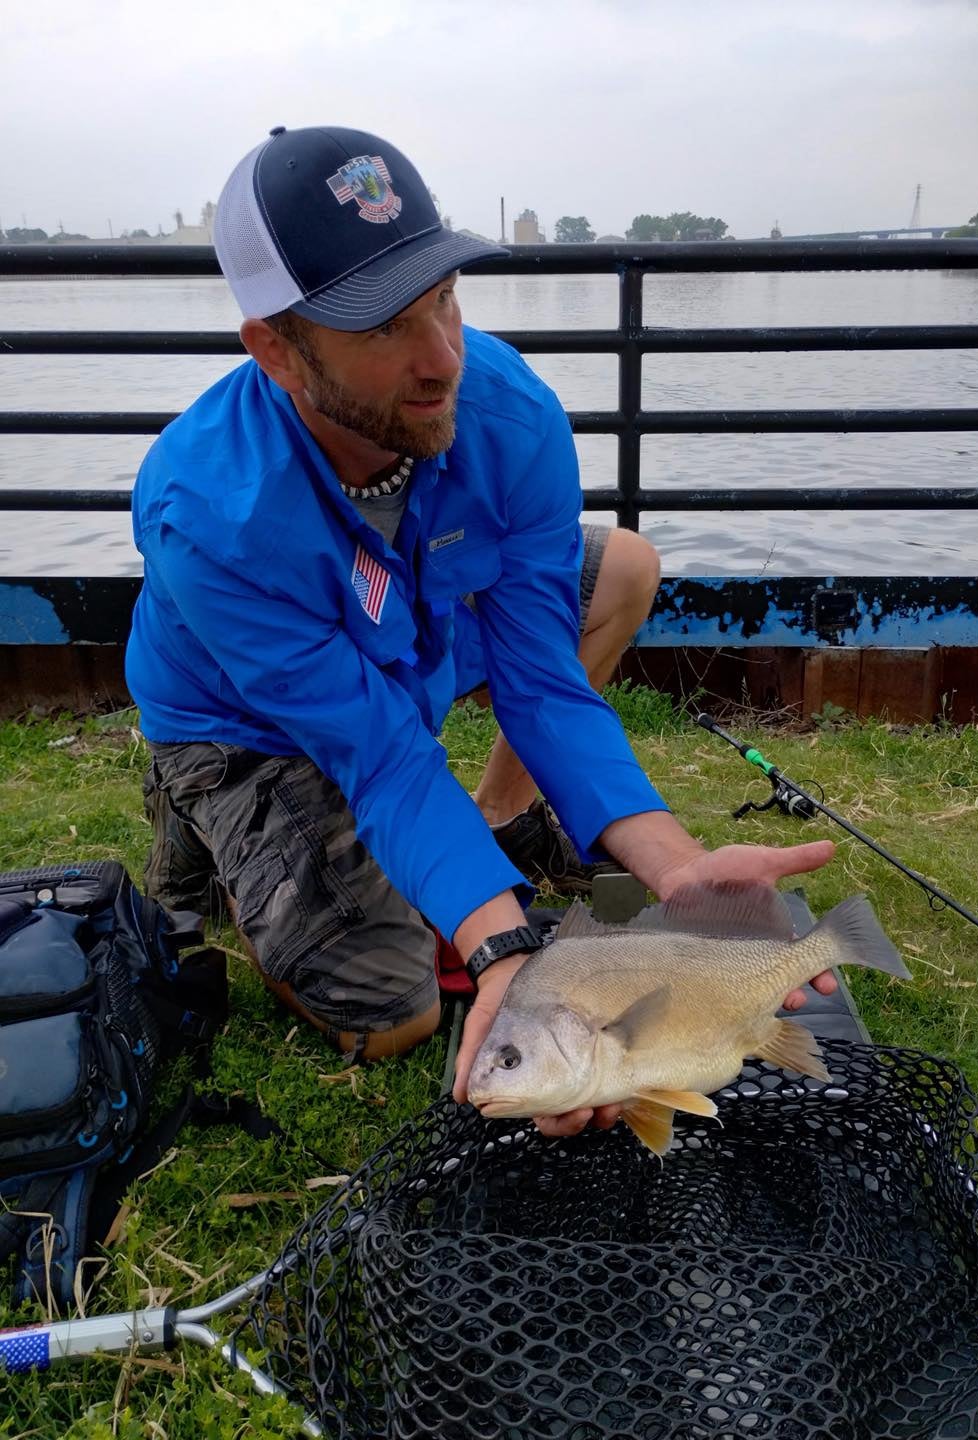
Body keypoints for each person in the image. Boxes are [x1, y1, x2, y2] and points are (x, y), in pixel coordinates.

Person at [127, 124, 836, 1140]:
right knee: (396, 1017)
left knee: (621, 567)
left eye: (445, 298)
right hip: (247, 718)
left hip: (403, 641)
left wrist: (674, 866)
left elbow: (540, 680)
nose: (441, 360)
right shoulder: (211, 515)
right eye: (381, 329)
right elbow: (379, 756)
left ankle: (487, 831)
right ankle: (208, 817)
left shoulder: (507, 412)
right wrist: (500, 944)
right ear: (275, 349)